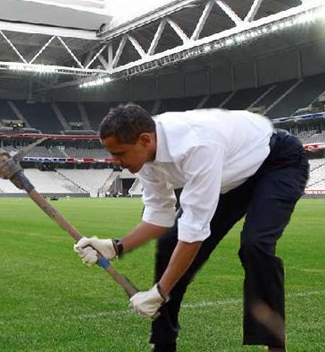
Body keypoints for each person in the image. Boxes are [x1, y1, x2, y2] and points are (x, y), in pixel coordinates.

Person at [73, 104, 308, 352]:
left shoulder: (196, 145)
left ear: (145, 140)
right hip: (230, 177)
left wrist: (159, 293)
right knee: (169, 242)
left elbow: (194, 232)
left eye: (120, 153)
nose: (117, 162)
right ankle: (164, 345)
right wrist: (115, 246)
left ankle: (275, 346)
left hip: (278, 163)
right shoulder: (145, 157)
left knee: (255, 245)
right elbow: (159, 216)